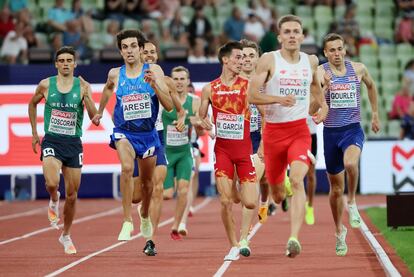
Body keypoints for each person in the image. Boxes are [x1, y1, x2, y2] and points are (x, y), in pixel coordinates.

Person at [247, 15, 328, 258]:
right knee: (278, 193)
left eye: (296, 31)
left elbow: (315, 86)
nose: (292, 35)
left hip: (299, 132)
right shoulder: (268, 60)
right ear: (279, 36)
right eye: (287, 32)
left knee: (298, 180)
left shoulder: (310, 61)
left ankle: (293, 238)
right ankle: (279, 185)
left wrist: (323, 106)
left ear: (303, 36)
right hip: (273, 133)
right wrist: (277, 99)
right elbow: (252, 95)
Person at [92, 29, 173, 256]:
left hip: (148, 135)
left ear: (140, 49)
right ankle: (127, 220)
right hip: (124, 132)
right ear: (120, 51)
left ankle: (144, 214)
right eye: (125, 47)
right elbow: (108, 89)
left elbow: (168, 106)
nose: (129, 50)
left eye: (133, 46)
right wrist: (99, 112)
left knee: (147, 185)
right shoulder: (115, 74)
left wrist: (155, 85)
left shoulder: (154, 70)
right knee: (127, 168)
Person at [28, 46, 97, 254]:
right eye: (62, 60)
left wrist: (87, 95)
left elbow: (94, 118)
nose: (66, 63)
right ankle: (53, 198)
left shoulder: (83, 86)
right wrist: (34, 133)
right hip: (52, 141)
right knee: (51, 182)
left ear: (75, 64)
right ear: (56, 64)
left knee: (73, 195)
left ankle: (65, 235)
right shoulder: (46, 84)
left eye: (69, 60)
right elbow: (32, 105)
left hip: (73, 143)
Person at [317, 33, 380, 256]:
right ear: (325, 53)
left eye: (339, 49)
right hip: (331, 134)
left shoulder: (358, 69)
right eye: (332, 50)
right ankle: (338, 231)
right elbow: (314, 99)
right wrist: (324, 89)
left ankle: (352, 201)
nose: (336, 53)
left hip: (352, 129)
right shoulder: (321, 71)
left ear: (345, 49)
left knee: (351, 164)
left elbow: (372, 86)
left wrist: (374, 114)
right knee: (335, 190)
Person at [199, 41, 259, 261]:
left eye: (244, 58)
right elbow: (200, 117)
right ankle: (235, 243)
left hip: (244, 152)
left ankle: (243, 233)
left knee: (250, 202)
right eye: (238, 58)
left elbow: (264, 113)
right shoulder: (209, 88)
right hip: (222, 151)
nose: (242, 61)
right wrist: (201, 122)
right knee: (225, 201)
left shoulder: (248, 85)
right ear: (225, 60)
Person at [130, 40, 185, 247]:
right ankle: (142, 208)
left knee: (158, 188)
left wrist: (180, 120)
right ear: (139, 54)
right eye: (146, 52)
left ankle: (150, 239)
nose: (150, 55)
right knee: (137, 196)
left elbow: (179, 110)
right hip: (135, 138)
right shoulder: (129, 79)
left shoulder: (166, 81)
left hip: (158, 136)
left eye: (153, 52)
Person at [163, 66, 206, 240]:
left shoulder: (195, 101)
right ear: (171, 81)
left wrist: (197, 124)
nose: (179, 82)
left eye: (182, 79)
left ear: (188, 82)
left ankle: (177, 225)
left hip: (185, 150)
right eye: (176, 79)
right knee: (166, 194)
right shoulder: (163, 100)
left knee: (183, 189)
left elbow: (201, 132)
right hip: (166, 152)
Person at [305, 115, 317, 225]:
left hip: (311, 135)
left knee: (310, 174)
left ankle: (310, 206)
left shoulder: (315, 97)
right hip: (295, 135)